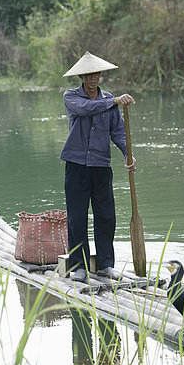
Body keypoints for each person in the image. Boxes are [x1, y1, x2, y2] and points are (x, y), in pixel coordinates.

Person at [60, 51, 136, 282]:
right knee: (77, 218)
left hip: (101, 165)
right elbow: (86, 109)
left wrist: (128, 154)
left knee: (106, 216)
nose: (94, 78)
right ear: (82, 76)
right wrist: (113, 101)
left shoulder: (108, 98)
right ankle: (79, 267)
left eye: (97, 74)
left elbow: (118, 131)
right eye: (89, 75)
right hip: (77, 165)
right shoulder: (71, 97)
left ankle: (105, 265)